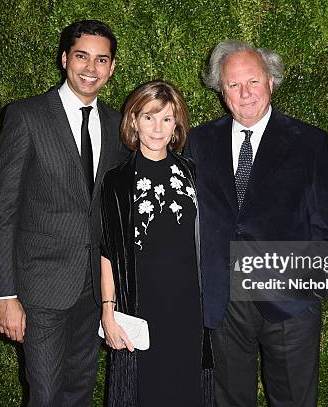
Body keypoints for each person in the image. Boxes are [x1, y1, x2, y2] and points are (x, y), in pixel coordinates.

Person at [185, 40, 328, 406]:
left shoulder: (310, 143)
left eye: (253, 82)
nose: (244, 93)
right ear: (220, 90)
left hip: (290, 304)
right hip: (222, 304)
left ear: (271, 82)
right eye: (233, 85)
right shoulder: (199, 141)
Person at [0, 20, 128, 406]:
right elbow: (2, 211)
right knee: (45, 394)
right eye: (82, 56)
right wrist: (5, 295)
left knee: (79, 390)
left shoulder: (118, 125)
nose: (91, 68)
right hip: (39, 287)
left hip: (93, 289)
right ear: (65, 59)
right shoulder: (26, 116)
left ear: (112, 67)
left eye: (101, 60)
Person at [99, 80, 212, 407]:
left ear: (177, 124)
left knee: (186, 393)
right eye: (149, 117)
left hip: (189, 309)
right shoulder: (117, 180)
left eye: (166, 118)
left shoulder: (192, 172)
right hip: (141, 309)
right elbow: (108, 251)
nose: (158, 128)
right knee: (143, 394)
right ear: (133, 121)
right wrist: (109, 313)